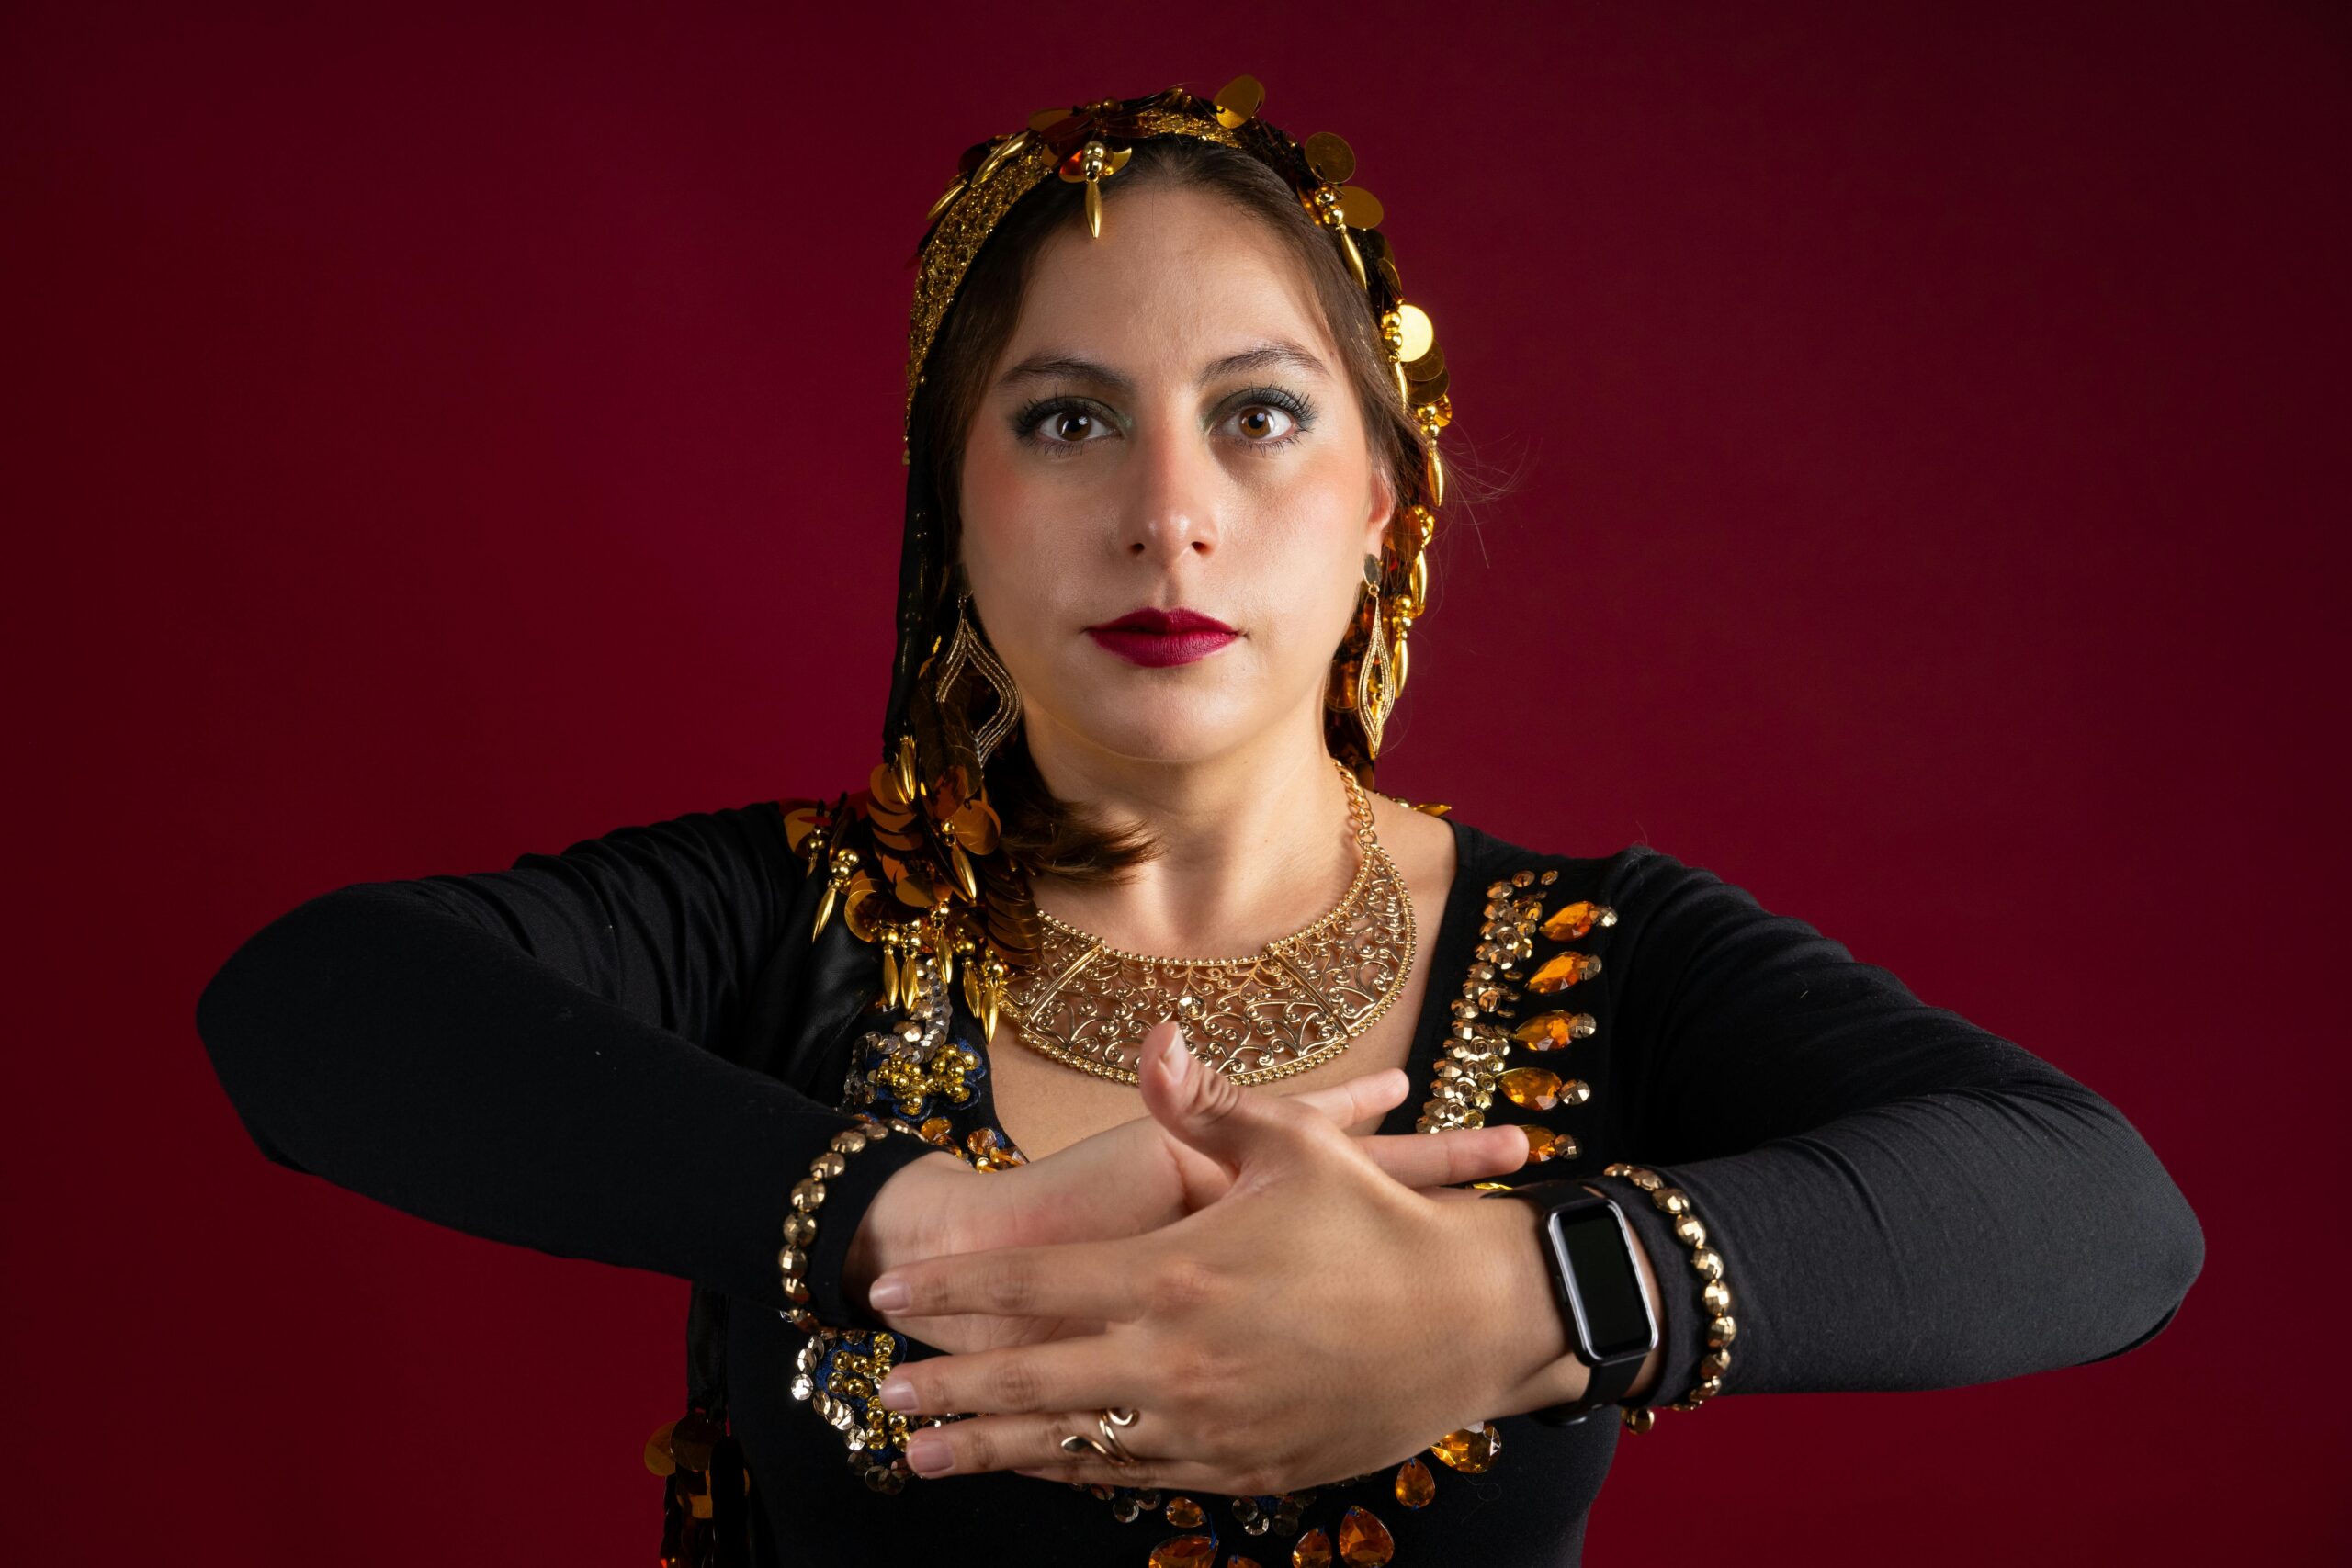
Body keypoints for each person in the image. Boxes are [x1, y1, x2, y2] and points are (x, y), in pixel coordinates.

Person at [193, 77, 2204, 1568]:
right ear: (951, 511)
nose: (1168, 510)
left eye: (1256, 412)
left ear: (1379, 510)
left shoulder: (1595, 959)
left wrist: (1503, 1304)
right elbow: (307, 1005)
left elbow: (2098, 1211)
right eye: (1065, 418)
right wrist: (925, 1222)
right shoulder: (791, 917)